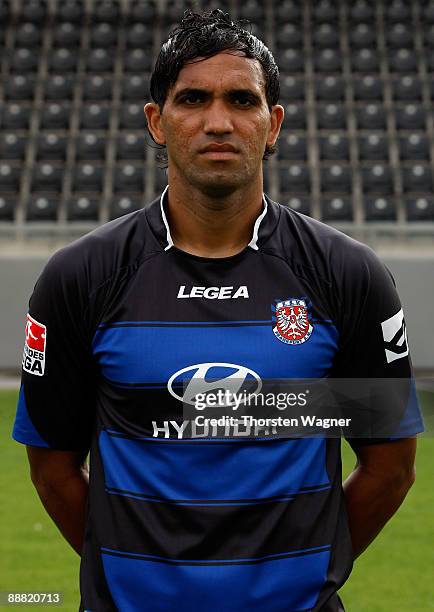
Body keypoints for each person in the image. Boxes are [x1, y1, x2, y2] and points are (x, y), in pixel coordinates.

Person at [12, 9, 423, 612]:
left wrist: (300, 579)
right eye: (193, 99)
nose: (218, 122)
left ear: (273, 123)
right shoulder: (80, 278)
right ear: (157, 121)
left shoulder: (349, 276)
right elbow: (52, 468)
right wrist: (139, 583)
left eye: (242, 100)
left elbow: (390, 466)